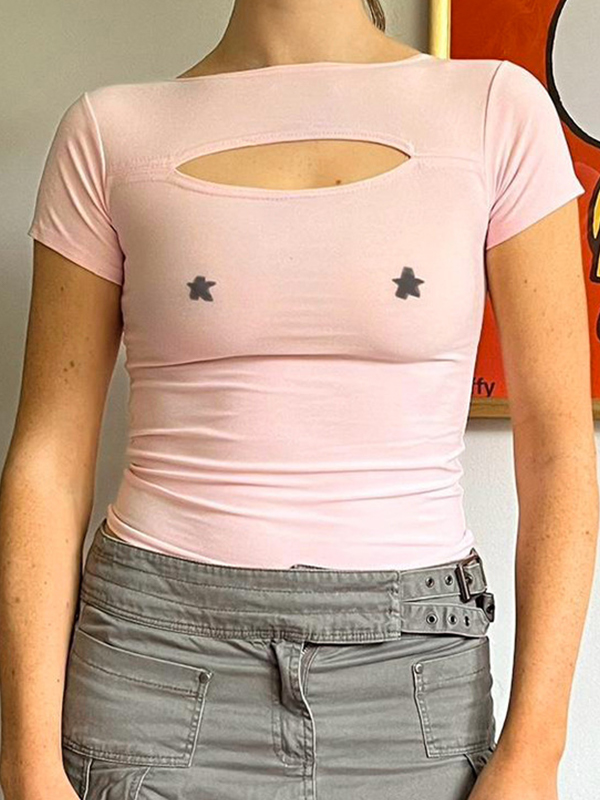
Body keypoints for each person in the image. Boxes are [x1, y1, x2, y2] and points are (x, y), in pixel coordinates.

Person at [0, 1, 597, 799]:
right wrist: (26, 762)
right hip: (154, 664)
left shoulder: (496, 111)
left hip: (412, 680)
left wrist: (536, 751)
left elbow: (559, 448)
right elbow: (47, 458)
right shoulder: (109, 134)